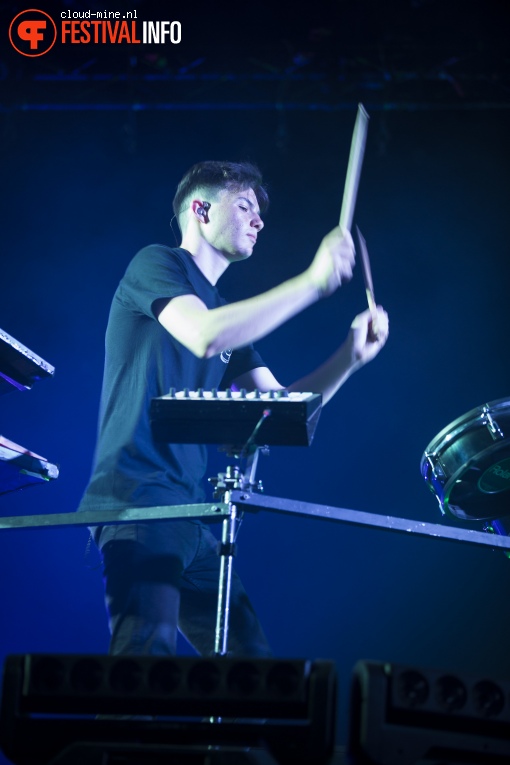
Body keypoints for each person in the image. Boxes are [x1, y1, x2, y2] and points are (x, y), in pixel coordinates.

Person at [78, 160, 389, 658]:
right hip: (138, 501)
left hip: (190, 514)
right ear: (199, 209)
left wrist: (349, 357)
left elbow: (278, 414)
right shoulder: (157, 263)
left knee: (252, 668)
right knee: (144, 663)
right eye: (244, 205)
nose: (259, 220)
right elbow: (204, 335)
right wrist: (312, 281)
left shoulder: (223, 311)